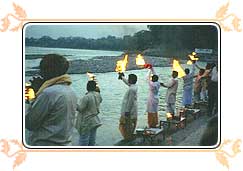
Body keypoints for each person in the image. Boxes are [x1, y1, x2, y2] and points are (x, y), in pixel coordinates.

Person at [25, 54, 77, 146]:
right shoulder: (70, 90)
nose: (40, 73)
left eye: (42, 70)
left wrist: (32, 96)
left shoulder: (48, 93)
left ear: (49, 71)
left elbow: (30, 123)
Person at [75, 80, 102, 146]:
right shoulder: (98, 95)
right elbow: (100, 100)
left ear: (87, 87)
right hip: (95, 120)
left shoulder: (86, 97)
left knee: (83, 139)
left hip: (86, 121)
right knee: (92, 139)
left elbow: (80, 109)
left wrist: (74, 103)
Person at [118, 73, 138, 140]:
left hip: (129, 109)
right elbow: (127, 83)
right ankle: (129, 136)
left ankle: (128, 137)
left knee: (127, 125)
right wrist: (122, 77)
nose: (128, 80)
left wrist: (127, 111)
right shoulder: (133, 86)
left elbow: (130, 101)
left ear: (131, 80)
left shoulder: (132, 89)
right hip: (131, 109)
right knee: (129, 124)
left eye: (129, 79)